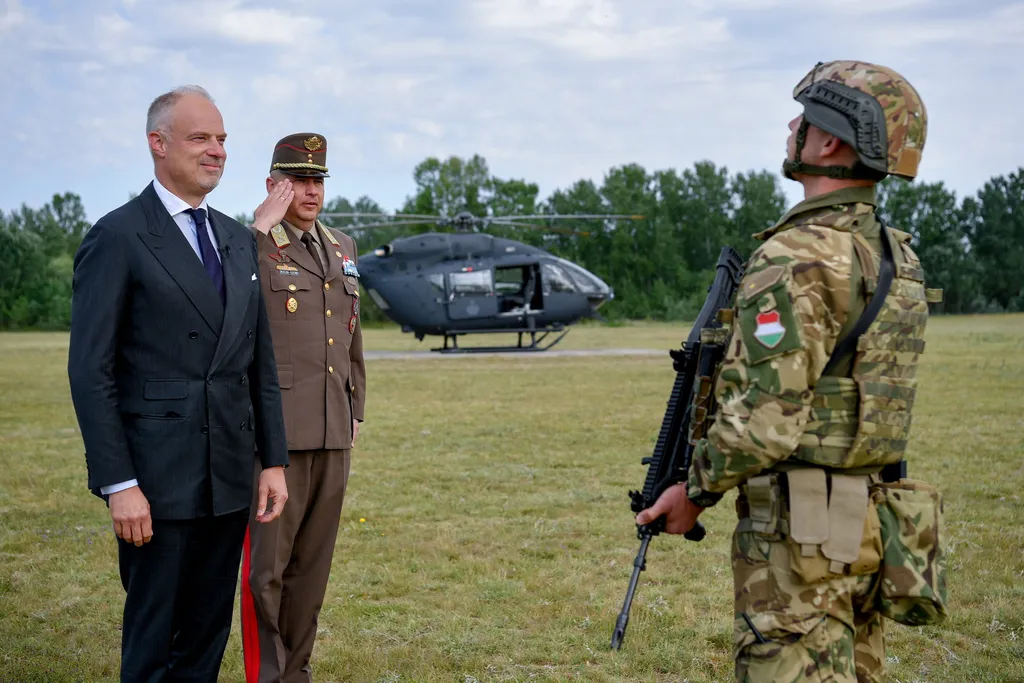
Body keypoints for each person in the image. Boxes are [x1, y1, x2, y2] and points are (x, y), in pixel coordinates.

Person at [636, 61, 939, 682]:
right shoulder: (893, 255)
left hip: (801, 537)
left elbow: (762, 424)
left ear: (831, 141)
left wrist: (691, 492)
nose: (792, 126)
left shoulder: (797, 255)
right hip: (868, 523)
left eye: (805, 119)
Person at [67, 85, 290, 683]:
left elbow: (258, 361)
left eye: (221, 139)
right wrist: (120, 484)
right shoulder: (118, 237)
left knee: (205, 637)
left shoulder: (237, 238)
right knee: (154, 638)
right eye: (200, 138)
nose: (217, 150)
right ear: (157, 144)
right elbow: (91, 372)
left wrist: (272, 460)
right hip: (155, 484)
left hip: (228, 477)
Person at [239, 133, 367, 683]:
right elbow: (224, 294)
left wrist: (354, 408)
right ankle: (266, 675)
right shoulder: (252, 243)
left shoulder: (342, 246)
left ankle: (296, 673)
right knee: (266, 570)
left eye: (317, 180)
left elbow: (350, 332)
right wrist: (257, 228)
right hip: (277, 433)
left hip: (332, 427)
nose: (310, 192)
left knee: (312, 569)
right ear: (273, 185)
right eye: (297, 181)